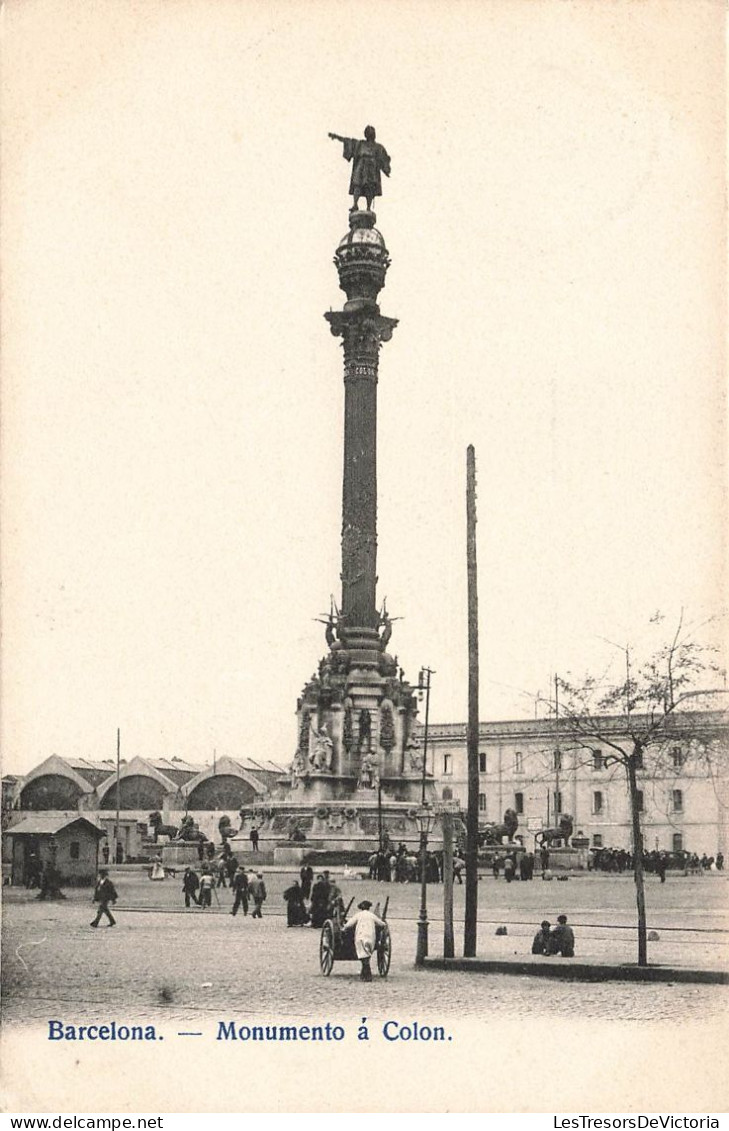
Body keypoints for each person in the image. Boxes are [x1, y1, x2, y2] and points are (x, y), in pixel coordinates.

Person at [328, 126, 391, 211]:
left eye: (371, 132)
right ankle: (355, 204)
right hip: (361, 166)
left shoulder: (378, 147)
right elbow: (347, 141)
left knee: (369, 187)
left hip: (371, 168)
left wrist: (386, 168)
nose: (370, 134)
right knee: (357, 185)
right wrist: (336, 137)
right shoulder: (360, 144)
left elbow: (384, 158)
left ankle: (368, 207)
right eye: (368, 132)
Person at [341, 899, 386, 981]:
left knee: (363, 956)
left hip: (360, 936)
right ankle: (364, 974)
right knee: (367, 955)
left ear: (361, 908)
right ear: (369, 908)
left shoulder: (358, 915)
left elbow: (349, 925)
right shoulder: (372, 915)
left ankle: (368, 975)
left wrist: (343, 928)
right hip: (371, 937)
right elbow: (381, 924)